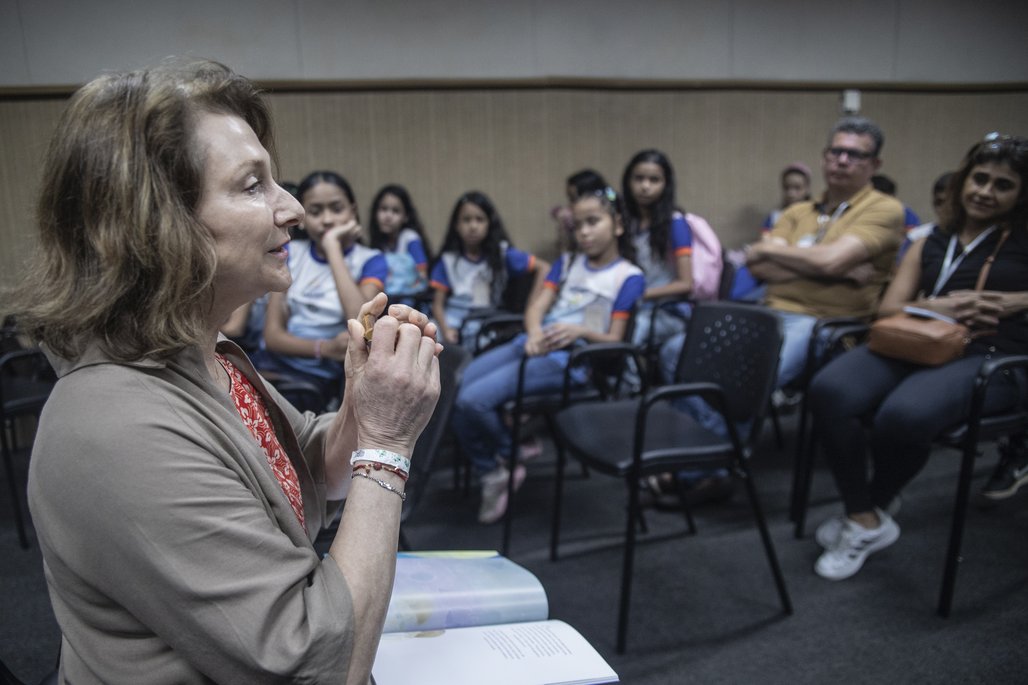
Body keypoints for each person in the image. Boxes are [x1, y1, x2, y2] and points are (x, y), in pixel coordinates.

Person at [17, 59, 441, 682]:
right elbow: (319, 670)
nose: (292, 209)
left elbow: (305, 464)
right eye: (252, 186)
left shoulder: (198, 351)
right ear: (157, 226)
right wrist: (386, 446)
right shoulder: (117, 429)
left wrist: (361, 402)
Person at [807, 133, 1028, 580]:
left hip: (991, 357)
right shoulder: (932, 237)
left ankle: (868, 508)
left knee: (904, 414)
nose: (985, 191)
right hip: (922, 340)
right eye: (979, 179)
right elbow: (889, 308)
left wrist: (1016, 301)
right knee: (829, 389)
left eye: (1003, 185)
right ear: (963, 181)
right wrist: (940, 306)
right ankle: (865, 516)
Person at [452, 187, 645, 524]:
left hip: (572, 360)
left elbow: (614, 339)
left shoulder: (628, 277)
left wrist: (579, 332)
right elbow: (535, 308)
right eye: (578, 225)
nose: (583, 232)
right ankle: (507, 453)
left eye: (593, 222)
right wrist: (535, 334)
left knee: (472, 401)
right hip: (533, 343)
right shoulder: (567, 263)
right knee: (455, 385)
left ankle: (501, 462)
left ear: (617, 225)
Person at [745, 116, 906, 391]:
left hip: (825, 324)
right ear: (824, 156)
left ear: (875, 165)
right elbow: (759, 267)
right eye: (836, 151)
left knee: (747, 377)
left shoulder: (884, 209)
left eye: (855, 155)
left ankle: (725, 422)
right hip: (770, 312)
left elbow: (830, 261)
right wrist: (838, 270)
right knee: (677, 352)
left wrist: (766, 247)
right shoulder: (797, 211)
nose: (842, 160)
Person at [261, 171, 388, 406]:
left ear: (353, 211)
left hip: (327, 376)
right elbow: (272, 336)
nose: (327, 220)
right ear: (302, 217)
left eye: (337, 209)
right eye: (316, 212)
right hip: (277, 364)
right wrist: (324, 348)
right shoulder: (290, 253)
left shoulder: (371, 260)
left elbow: (361, 322)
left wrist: (332, 249)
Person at [430, 191, 549, 349]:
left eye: (479, 219)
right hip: (451, 323)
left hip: (486, 324)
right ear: (456, 225)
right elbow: (437, 305)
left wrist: (532, 308)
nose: (473, 226)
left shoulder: (503, 255)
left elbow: (544, 267)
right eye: (466, 220)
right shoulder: (448, 261)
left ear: (489, 224)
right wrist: (446, 330)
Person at [620, 149, 698, 349]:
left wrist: (640, 294)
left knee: (629, 334)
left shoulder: (675, 223)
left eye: (654, 180)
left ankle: (630, 372)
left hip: (665, 311)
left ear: (666, 184)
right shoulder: (625, 222)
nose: (645, 186)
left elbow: (686, 284)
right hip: (632, 307)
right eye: (639, 178)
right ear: (628, 181)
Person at [732, 162, 814, 302]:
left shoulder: (815, 217)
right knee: (741, 279)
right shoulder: (775, 216)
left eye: (797, 188)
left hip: (795, 269)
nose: (791, 193)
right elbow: (765, 243)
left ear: (807, 189)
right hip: (770, 263)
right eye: (787, 188)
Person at [367, 183, 432, 308]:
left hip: (412, 301)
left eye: (395, 211)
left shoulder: (410, 238)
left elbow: (422, 276)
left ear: (406, 217)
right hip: (387, 301)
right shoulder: (378, 245)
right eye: (383, 209)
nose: (388, 216)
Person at [551, 168, 608, 252]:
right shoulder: (569, 217)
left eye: (574, 198)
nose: (584, 232)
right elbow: (566, 252)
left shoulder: (609, 212)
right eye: (570, 199)